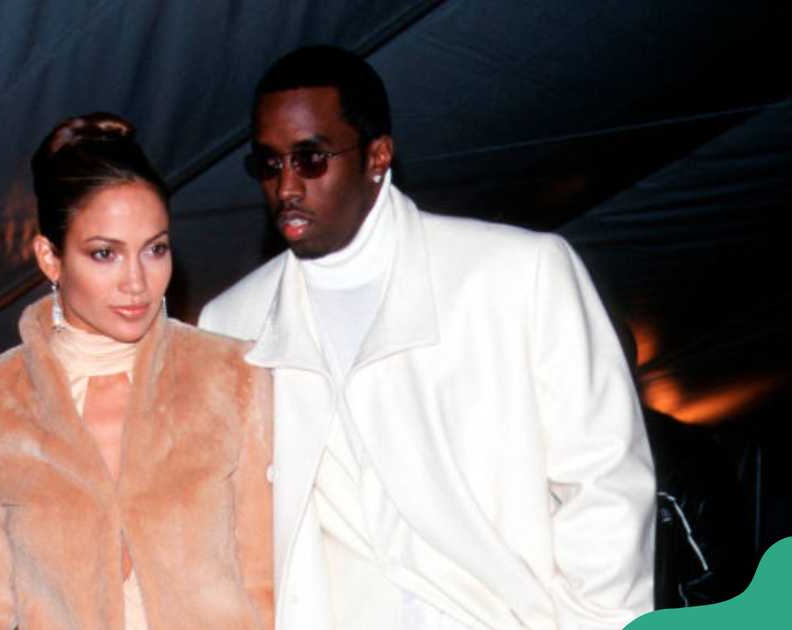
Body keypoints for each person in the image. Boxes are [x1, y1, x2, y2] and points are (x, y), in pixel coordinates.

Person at [199, 46, 655, 629]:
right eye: (268, 164)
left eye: (310, 159)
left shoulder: (517, 273)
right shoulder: (231, 323)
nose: (286, 186)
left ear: (377, 156)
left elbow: (605, 479)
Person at [0, 113, 273, 630]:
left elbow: (269, 581)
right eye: (104, 254)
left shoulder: (233, 377)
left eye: (155, 249)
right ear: (50, 257)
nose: (137, 282)